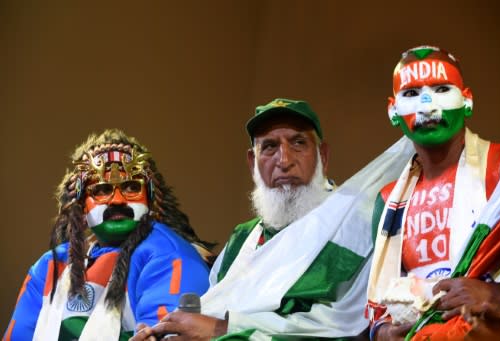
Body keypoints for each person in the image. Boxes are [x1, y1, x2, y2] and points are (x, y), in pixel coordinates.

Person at [130, 98, 396, 340]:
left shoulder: (357, 225)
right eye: (269, 147)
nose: (284, 160)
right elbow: (210, 311)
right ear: (252, 162)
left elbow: (347, 326)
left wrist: (222, 330)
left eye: (298, 143)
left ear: (323, 156)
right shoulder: (241, 240)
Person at [3, 129, 213, 341]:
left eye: (132, 187)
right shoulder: (49, 266)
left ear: (152, 201)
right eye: (102, 190)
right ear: (80, 207)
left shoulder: (168, 254)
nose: (118, 200)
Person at [366, 46, 500, 341]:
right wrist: (382, 333)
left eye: (442, 89)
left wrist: (496, 291)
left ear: (467, 100)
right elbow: (376, 305)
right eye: (411, 94)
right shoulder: (387, 201)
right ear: (393, 111)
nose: (427, 106)